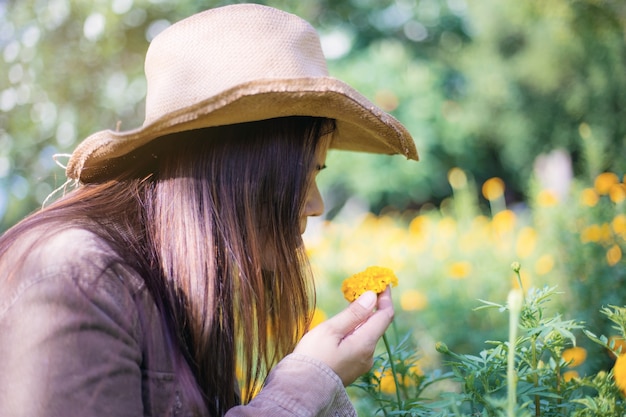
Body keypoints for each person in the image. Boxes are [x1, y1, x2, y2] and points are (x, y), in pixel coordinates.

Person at [0, 4, 418, 417]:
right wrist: (305, 385)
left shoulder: (181, 290)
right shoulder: (77, 280)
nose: (316, 204)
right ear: (237, 169)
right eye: (304, 176)